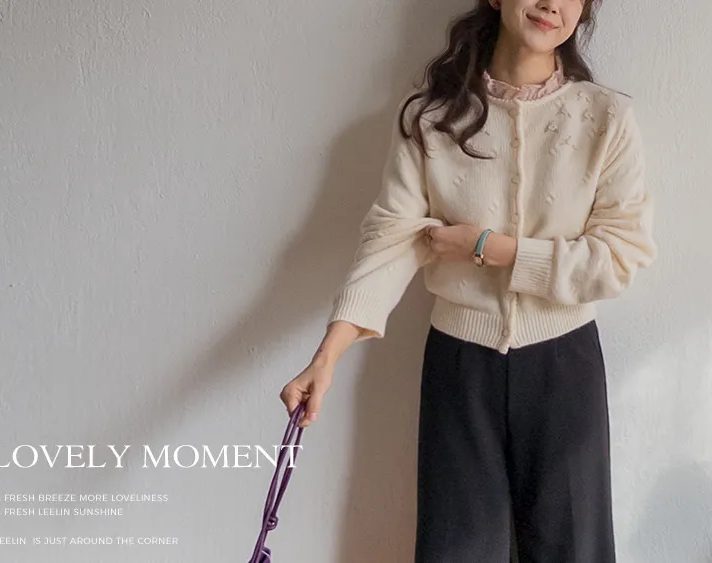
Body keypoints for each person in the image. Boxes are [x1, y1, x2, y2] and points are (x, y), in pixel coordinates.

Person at [280, 0, 657, 560]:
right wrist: (327, 356)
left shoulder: (607, 118)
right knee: (455, 550)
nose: (551, 3)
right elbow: (389, 239)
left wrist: (488, 247)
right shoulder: (432, 117)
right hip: (459, 365)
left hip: (566, 364)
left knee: (574, 548)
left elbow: (620, 256)